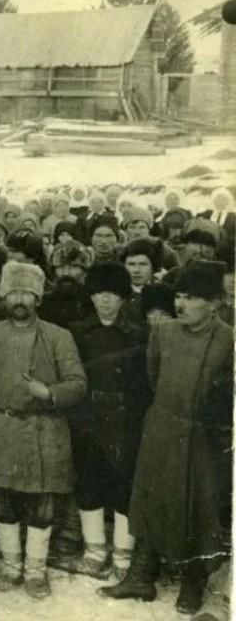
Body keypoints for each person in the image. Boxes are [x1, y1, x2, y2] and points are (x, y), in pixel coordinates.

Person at [100, 261, 233, 615]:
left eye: (191, 298)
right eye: (179, 296)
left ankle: (192, 582)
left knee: (195, 507)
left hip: (201, 436)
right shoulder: (164, 333)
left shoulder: (228, 339)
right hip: (160, 427)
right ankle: (140, 575)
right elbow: (154, 374)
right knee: (148, 498)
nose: (181, 305)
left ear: (214, 303)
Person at [0, 261, 86, 600]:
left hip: (45, 429)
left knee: (42, 505)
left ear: (38, 297)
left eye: (27, 293)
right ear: (5, 296)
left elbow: (78, 384)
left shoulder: (58, 336)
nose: (20, 299)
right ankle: (10, 566)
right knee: (2, 501)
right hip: (1, 427)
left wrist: (49, 393)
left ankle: (36, 571)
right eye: (13, 292)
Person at [59, 263, 149, 581]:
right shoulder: (79, 332)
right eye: (98, 293)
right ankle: (95, 549)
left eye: (111, 293)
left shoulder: (139, 333)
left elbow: (144, 385)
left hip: (125, 422)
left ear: (123, 297)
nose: (105, 300)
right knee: (89, 482)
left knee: (125, 485)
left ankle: (124, 553)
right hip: (89, 420)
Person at [40, 240, 94, 328]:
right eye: (60, 267)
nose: (66, 273)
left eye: (74, 266)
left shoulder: (93, 302)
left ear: (85, 271)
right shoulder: (43, 304)